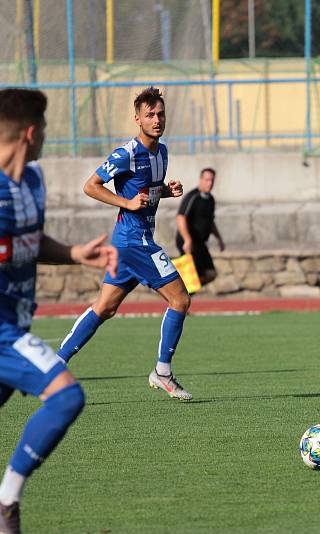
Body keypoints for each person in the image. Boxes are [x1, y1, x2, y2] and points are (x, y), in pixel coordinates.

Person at [0, 88, 117, 534]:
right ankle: (7, 500)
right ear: (32, 133)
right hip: (2, 333)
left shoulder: (32, 182)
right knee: (67, 396)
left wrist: (73, 252)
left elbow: (29, 243)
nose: (48, 134)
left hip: (15, 324)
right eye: (46, 127)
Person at [56, 87, 194, 401]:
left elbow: (147, 192)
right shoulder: (126, 153)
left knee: (104, 308)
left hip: (131, 242)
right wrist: (126, 203)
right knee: (180, 300)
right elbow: (91, 186)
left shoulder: (163, 152)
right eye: (150, 115)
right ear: (137, 119)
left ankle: (56, 363)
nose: (157, 120)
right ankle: (162, 372)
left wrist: (166, 192)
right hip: (135, 241)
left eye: (160, 114)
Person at [175, 167, 225, 286]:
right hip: (189, 242)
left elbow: (210, 221)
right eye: (207, 180)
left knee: (210, 274)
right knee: (190, 279)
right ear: (201, 180)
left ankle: (181, 288)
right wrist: (187, 239)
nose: (210, 183)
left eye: (212, 180)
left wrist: (219, 238)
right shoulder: (193, 197)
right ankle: (176, 287)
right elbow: (180, 217)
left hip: (201, 243)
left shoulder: (210, 199)